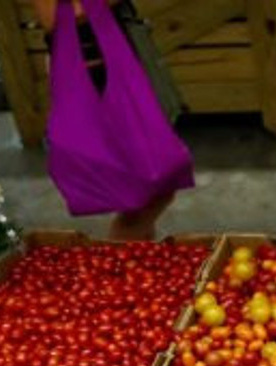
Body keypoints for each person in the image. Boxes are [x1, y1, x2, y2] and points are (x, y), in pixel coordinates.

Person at [33, 0, 178, 240]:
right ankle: (122, 262)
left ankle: (135, 260)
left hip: (113, 49)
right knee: (148, 193)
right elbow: (54, 16)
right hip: (93, 65)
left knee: (151, 189)